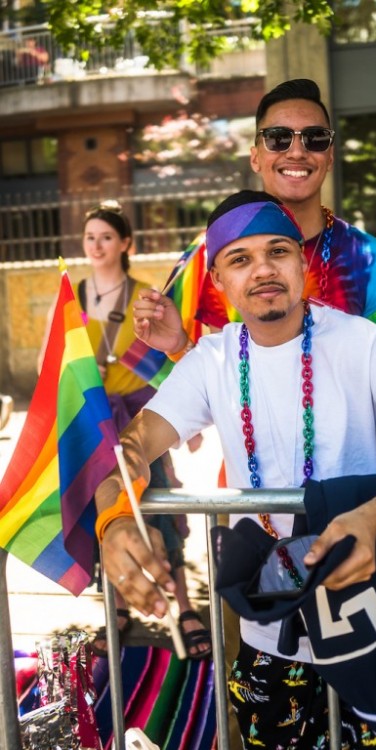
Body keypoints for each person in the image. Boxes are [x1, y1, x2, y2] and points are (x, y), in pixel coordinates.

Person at [94, 191, 376, 749]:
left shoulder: (361, 343)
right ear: (219, 282)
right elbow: (132, 447)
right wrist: (114, 520)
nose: (262, 269)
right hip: (269, 639)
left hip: (374, 621)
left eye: (278, 251)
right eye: (240, 258)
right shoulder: (211, 360)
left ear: (302, 264)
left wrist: (372, 518)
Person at [134, 78, 376, 473]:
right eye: (278, 138)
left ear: (329, 155)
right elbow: (212, 385)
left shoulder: (372, 262)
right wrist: (179, 344)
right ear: (255, 156)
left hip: (355, 499)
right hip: (254, 498)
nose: (297, 150)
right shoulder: (212, 258)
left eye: (315, 138)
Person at [38, 200, 211, 660]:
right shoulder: (72, 296)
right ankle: (115, 604)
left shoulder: (146, 296)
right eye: (90, 237)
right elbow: (50, 359)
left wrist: (187, 422)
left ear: (125, 244)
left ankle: (186, 605)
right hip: (95, 424)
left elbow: (164, 362)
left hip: (141, 420)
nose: (96, 245)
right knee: (105, 510)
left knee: (155, 503)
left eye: (106, 237)